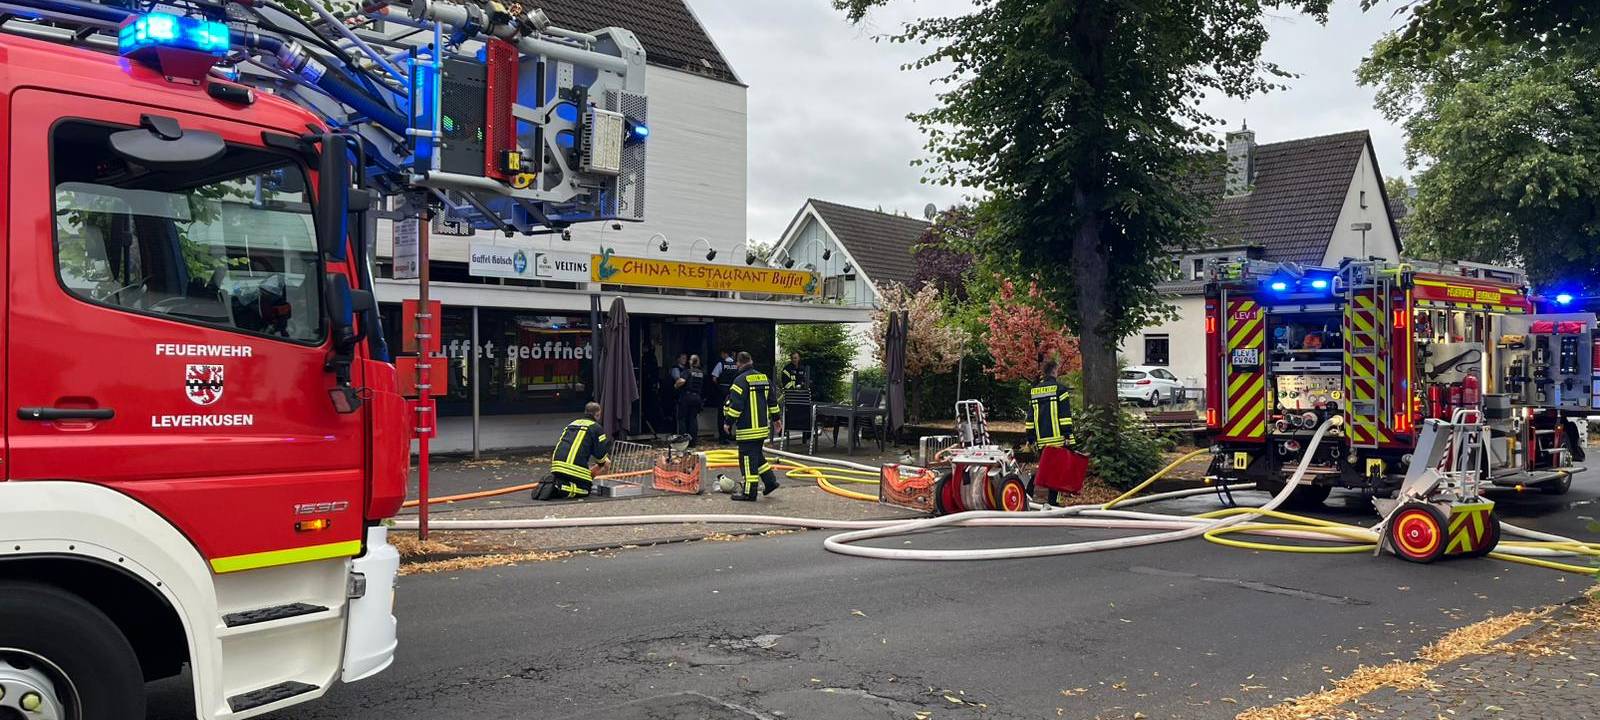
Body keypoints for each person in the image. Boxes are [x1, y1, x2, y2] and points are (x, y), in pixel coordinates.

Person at [723, 352, 782, 501]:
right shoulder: (764, 378)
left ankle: (750, 492)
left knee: (747, 460)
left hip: (747, 430)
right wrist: (776, 419)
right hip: (762, 429)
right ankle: (770, 482)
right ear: (751, 361)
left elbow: (736, 406)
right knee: (757, 456)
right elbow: (772, 402)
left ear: (738, 363)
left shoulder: (739, 381)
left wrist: (728, 422)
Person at [534, 403, 612, 500]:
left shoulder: (572, 423)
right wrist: (604, 463)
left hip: (556, 464)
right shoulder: (596, 428)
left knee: (571, 479)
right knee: (585, 490)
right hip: (573, 467)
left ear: (585, 412)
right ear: (598, 414)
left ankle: (551, 484)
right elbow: (600, 455)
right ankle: (558, 487)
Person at [1026, 360, 1074, 505]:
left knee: (1044, 468)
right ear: (1054, 371)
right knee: (1057, 472)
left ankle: (1027, 493)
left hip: (1041, 439)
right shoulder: (1061, 389)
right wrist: (1067, 434)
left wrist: (1031, 437)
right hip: (1058, 438)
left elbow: (1030, 417)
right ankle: (1054, 502)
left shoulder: (1035, 391)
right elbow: (1065, 415)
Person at [780, 351, 811, 444]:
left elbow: (806, 381)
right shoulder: (787, 369)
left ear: (799, 358)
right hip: (790, 396)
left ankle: (807, 433)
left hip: (803, 397)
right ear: (791, 359)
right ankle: (784, 430)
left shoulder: (803, 369)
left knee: (805, 413)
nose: (795, 360)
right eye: (793, 358)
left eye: (796, 358)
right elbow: (785, 383)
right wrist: (794, 388)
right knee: (789, 414)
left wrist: (802, 386)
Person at [678, 355, 707, 446]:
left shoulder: (687, 372)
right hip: (697, 397)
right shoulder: (701, 373)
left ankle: (683, 441)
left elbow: (681, 381)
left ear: (691, 362)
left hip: (687, 397)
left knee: (682, 418)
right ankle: (693, 442)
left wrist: (676, 385)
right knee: (693, 419)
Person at [712, 348, 737, 443]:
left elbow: (714, 378)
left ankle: (722, 437)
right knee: (731, 413)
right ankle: (729, 434)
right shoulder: (735, 365)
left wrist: (718, 386)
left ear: (724, 354)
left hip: (722, 392)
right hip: (733, 392)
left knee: (721, 414)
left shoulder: (721, 364)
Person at [667, 353, 688, 432]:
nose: (684, 360)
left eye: (685, 358)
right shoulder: (675, 369)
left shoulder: (686, 369)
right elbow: (678, 380)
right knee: (678, 415)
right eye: (682, 358)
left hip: (684, 396)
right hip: (677, 395)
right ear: (678, 359)